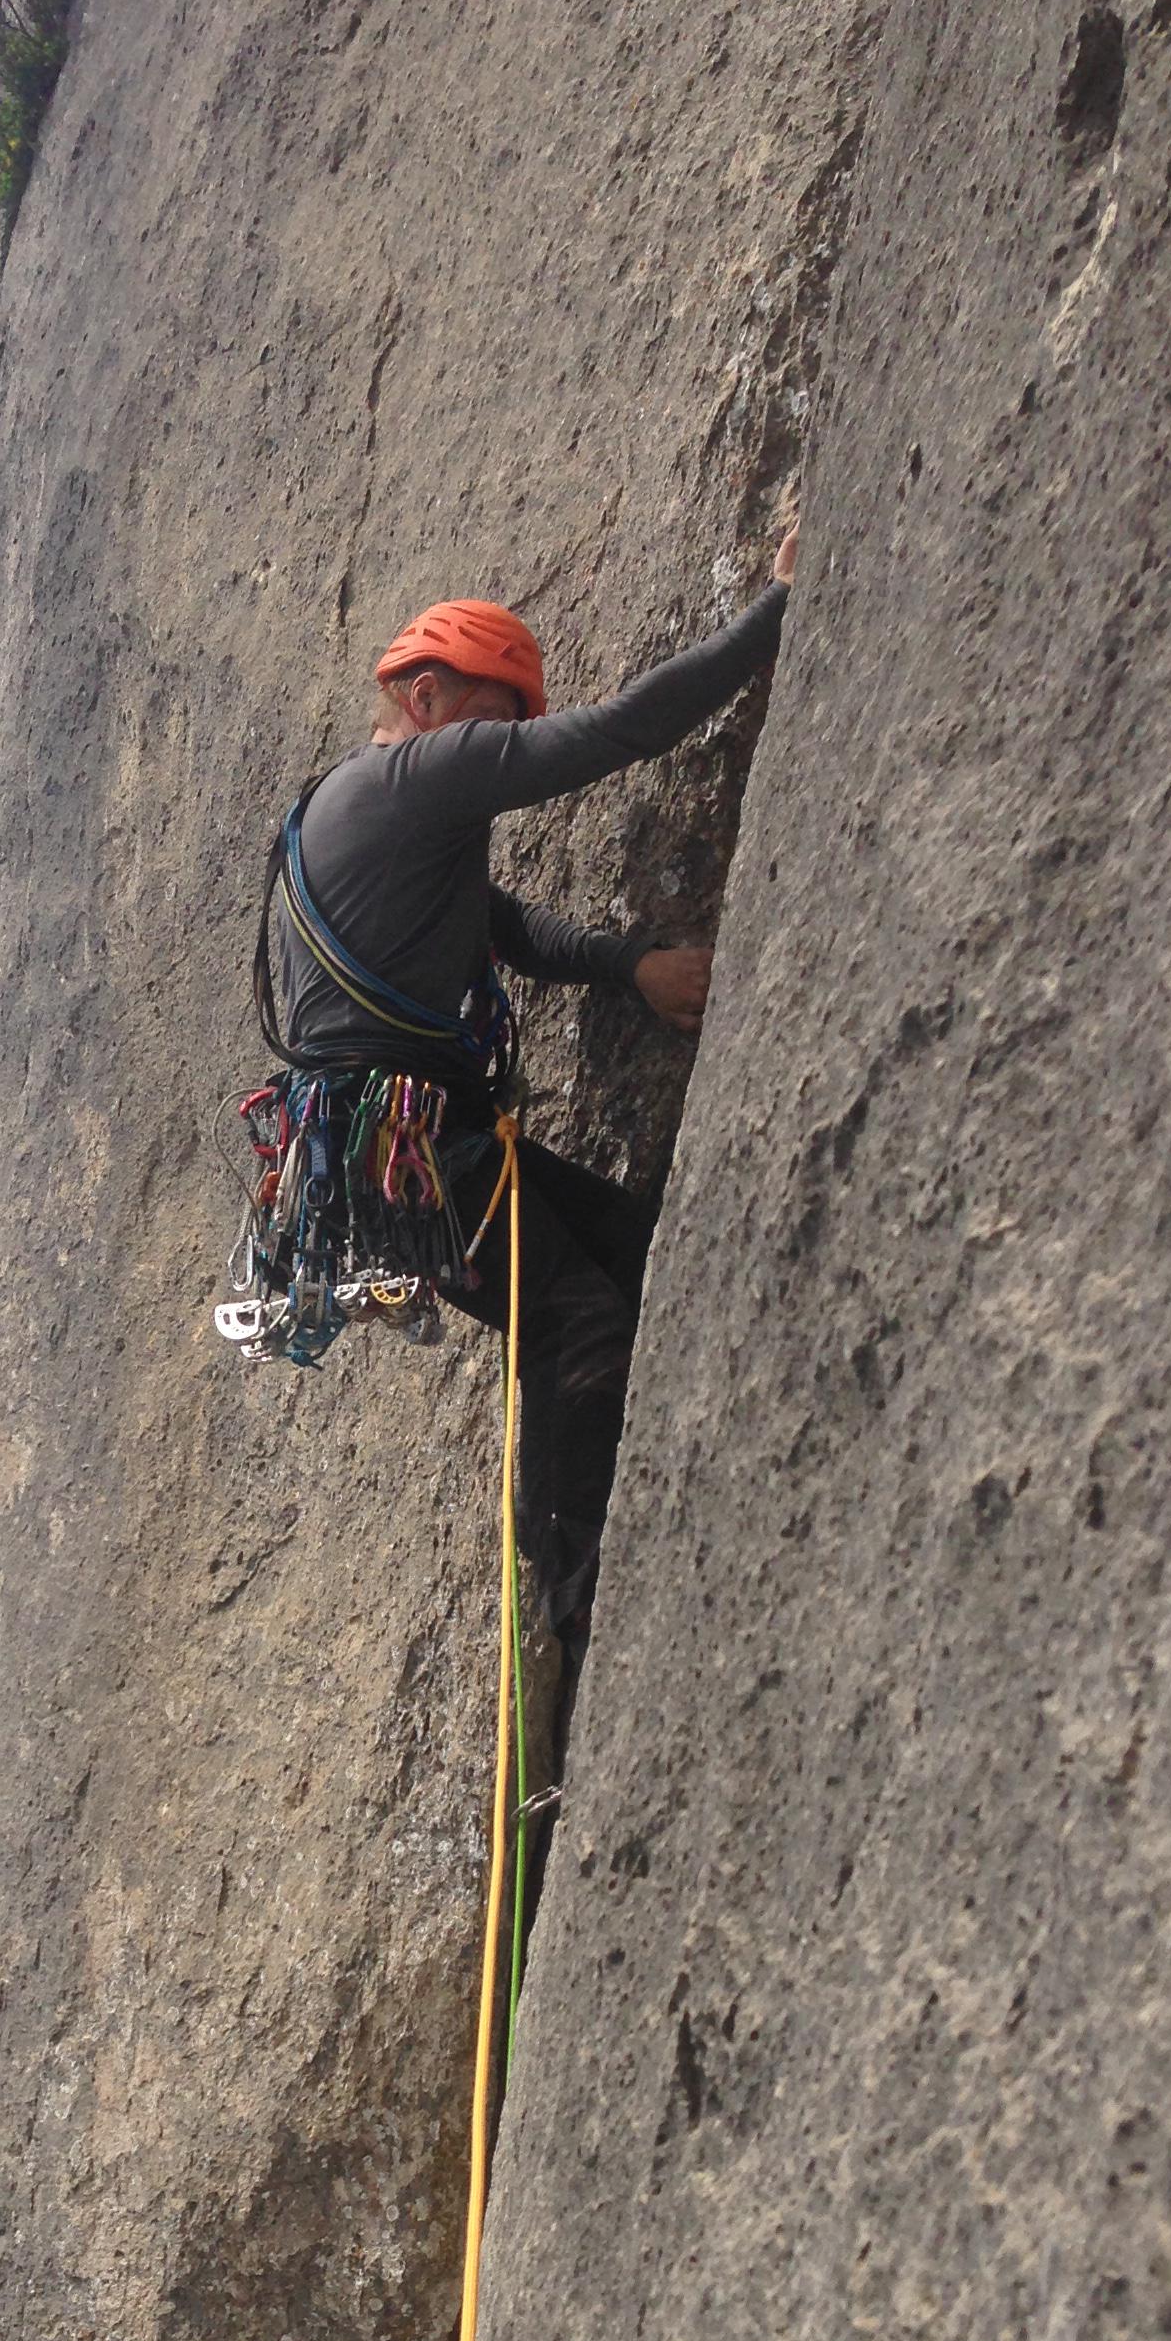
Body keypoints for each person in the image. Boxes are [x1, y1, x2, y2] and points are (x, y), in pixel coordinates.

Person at [259, 525, 798, 1648]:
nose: (500, 745)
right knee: (573, 1319)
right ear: (423, 696)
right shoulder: (417, 776)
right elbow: (620, 732)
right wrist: (778, 612)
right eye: (488, 718)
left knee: (634, 1254)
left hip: (399, 1143)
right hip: (406, 1145)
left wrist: (628, 966)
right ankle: (570, 1601)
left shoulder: (353, 812)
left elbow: (498, 929)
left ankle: (573, 1560)